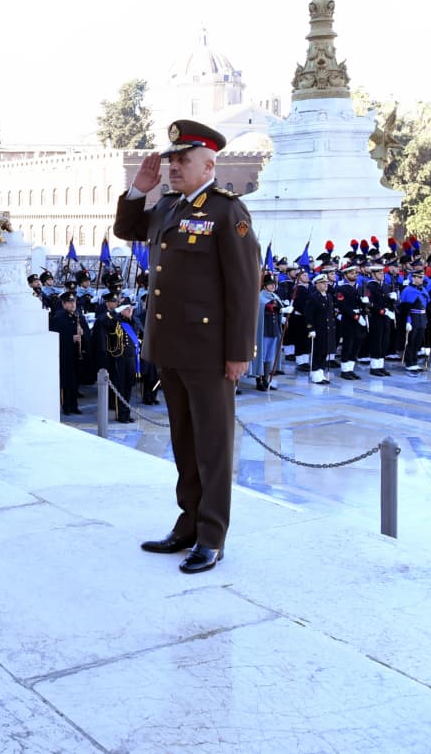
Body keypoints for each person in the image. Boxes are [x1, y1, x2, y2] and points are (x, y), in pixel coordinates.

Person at [113, 119, 260, 574]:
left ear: (209, 165)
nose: (173, 166)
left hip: (210, 350)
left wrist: (239, 352)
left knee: (212, 447)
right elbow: (127, 229)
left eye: (183, 159)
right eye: (171, 159)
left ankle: (212, 537)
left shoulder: (226, 211)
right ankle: (188, 524)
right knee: (184, 443)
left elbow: (244, 288)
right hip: (171, 346)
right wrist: (138, 190)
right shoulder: (168, 206)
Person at [50, 292, 85, 414]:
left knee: (74, 381)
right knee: (66, 381)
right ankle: (66, 406)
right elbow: (55, 337)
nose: (73, 305)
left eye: (73, 302)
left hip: (74, 353)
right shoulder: (58, 318)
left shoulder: (75, 316)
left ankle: (74, 405)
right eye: (70, 302)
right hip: (64, 354)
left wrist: (81, 333)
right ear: (64, 304)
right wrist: (71, 338)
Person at [249, 274, 284, 390]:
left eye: (274, 284)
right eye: (270, 284)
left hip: (273, 331)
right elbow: (267, 307)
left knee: (269, 356)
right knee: (262, 356)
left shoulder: (275, 296)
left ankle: (266, 379)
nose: (273, 286)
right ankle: (259, 380)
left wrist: (283, 313)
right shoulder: (260, 297)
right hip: (264, 331)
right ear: (264, 285)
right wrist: (279, 309)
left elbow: (278, 308)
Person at [399, 268, 430, 372]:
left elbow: (427, 304)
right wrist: (408, 321)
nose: (422, 279)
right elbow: (405, 308)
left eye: (422, 277)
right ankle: (409, 362)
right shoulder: (407, 290)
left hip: (422, 317)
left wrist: (425, 319)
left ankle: (414, 361)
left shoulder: (423, 289)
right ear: (413, 278)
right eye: (419, 277)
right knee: (411, 340)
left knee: (418, 341)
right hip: (413, 317)